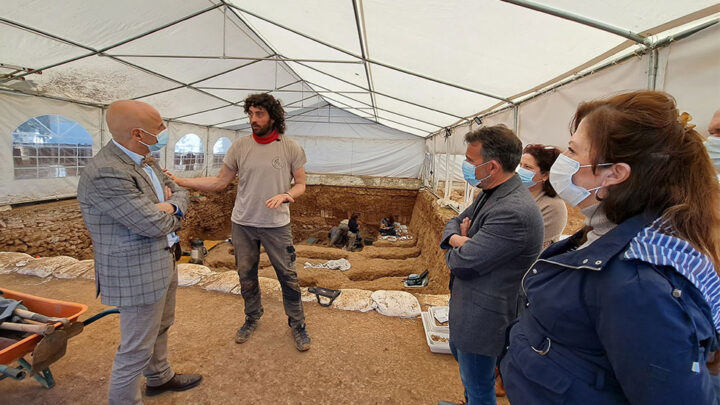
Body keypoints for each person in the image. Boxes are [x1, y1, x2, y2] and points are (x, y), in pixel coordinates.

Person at [500, 91, 720, 404]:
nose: (564, 159)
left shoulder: (639, 283)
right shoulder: (605, 232)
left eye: (573, 151)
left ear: (614, 173)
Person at [165, 93, 311, 352]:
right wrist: (181, 181)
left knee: (287, 275)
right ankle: (252, 317)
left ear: (273, 117)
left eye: (259, 114)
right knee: (246, 275)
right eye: (251, 114)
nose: (253, 119)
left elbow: (301, 184)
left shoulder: (290, 148)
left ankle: (297, 324)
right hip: (243, 223)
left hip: (276, 224)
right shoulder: (240, 147)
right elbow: (220, 182)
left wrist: (287, 195)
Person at [77, 100, 202, 404]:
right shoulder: (108, 172)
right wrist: (166, 212)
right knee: (135, 350)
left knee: (161, 326)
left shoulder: (145, 158)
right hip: (136, 270)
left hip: (163, 259)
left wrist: (170, 205)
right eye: (159, 126)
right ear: (137, 132)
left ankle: (159, 377)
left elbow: (181, 191)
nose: (164, 131)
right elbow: (152, 224)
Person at [440, 124, 544, 405]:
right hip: (470, 309)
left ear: (492, 166)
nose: (466, 166)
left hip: (484, 319)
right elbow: (452, 223)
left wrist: (460, 242)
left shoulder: (513, 211)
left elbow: (462, 264)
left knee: (478, 386)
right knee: (470, 379)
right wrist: (458, 237)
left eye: (471, 161)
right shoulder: (491, 192)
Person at [517, 144, 568, 248]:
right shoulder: (516, 193)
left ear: (545, 175)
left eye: (528, 167)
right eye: (520, 165)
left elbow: (527, 243)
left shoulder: (553, 206)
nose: (521, 171)